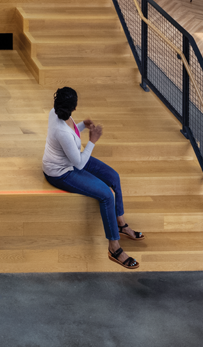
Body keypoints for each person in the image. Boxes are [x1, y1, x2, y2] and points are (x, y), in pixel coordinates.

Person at [43, 86, 143, 269]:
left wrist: (81, 125)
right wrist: (92, 140)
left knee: (114, 177)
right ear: (73, 107)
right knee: (106, 194)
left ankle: (120, 222)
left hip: (72, 158)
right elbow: (79, 163)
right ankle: (114, 247)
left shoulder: (56, 113)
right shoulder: (62, 131)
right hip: (61, 172)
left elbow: (71, 135)